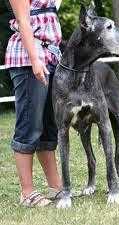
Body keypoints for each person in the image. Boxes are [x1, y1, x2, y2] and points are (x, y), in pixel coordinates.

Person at [5, 0, 63, 207]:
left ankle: (57, 187)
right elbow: (23, 20)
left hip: (51, 57)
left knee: (48, 126)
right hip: (29, 58)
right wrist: (35, 59)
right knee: (30, 125)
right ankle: (27, 193)